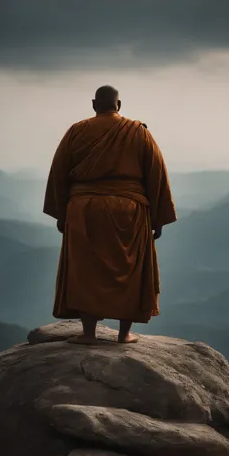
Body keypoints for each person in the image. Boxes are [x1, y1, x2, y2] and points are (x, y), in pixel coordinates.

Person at [43, 85, 176, 345]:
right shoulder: (138, 133)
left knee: (86, 270)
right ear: (119, 104)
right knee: (129, 269)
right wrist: (158, 218)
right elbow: (156, 174)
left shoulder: (76, 131)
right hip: (129, 210)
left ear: (94, 104)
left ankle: (89, 334)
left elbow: (58, 173)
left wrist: (61, 213)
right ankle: (124, 334)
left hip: (84, 210)